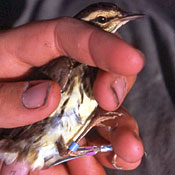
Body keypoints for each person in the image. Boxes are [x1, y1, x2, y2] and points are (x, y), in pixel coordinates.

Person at [0, 0, 175, 175]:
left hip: (39, 154)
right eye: (102, 19)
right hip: (21, 147)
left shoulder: (98, 71)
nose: (115, 22)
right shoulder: (65, 65)